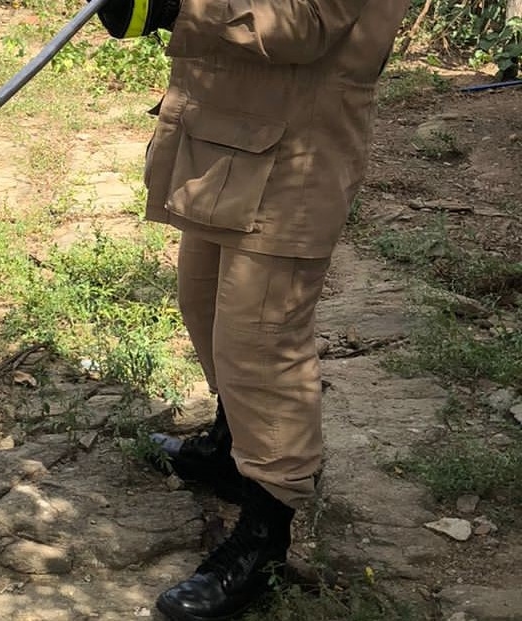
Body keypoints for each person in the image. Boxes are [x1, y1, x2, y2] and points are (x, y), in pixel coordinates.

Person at [96, 1, 409, 619]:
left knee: (260, 340)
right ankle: (229, 447)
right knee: (205, 303)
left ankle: (265, 534)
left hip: (299, 144)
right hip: (232, 131)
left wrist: (180, 4)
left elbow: (305, 23)